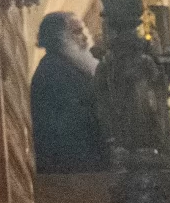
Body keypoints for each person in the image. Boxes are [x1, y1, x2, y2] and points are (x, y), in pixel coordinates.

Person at [30, 11, 111, 174]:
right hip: (71, 166)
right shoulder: (51, 72)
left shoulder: (74, 66)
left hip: (88, 162)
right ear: (58, 37)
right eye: (76, 32)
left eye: (84, 30)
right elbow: (69, 121)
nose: (85, 38)